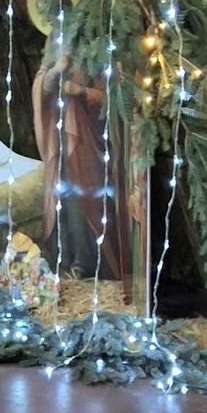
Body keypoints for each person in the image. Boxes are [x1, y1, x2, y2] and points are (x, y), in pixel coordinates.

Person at [30, 49, 127, 278]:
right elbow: (42, 85)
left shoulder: (98, 46)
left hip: (89, 140)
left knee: (87, 197)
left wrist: (79, 91)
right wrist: (55, 72)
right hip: (60, 138)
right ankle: (66, 259)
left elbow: (114, 96)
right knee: (63, 197)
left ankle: (89, 262)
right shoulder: (56, 40)